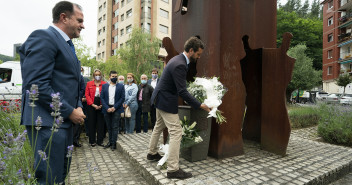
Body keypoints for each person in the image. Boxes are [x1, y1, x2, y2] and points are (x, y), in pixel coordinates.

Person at [19, 1, 86, 184]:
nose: (83, 25)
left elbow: (71, 84)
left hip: (62, 124)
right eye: (79, 20)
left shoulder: (67, 45)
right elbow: (36, 85)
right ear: (64, 17)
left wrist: (78, 106)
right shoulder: (44, 37)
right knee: (49, 179)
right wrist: (69, 111)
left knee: (59, 177)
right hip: (47, 124)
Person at [147, 37, 210, 180]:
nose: (199, 57)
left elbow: (179, 86)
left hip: (159, 98)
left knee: (158, 126)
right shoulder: (180, 64)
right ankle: (173, 169)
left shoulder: (177, 60)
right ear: (191, 51)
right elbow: (182, 91)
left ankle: (151, 153)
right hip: (165, 101)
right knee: (176, 132)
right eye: (198, 54)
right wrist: (199, 104)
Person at [100, 71, 125, 151]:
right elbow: (102, 98)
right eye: (113, 76)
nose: (114, 78)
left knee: (115, 126)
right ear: (109, 77)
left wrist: (114, 107)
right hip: (107, 108)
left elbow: (122, 98)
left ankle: (114, 143)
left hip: (116, 109)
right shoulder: (104, 86)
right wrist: (107, 107)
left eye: (116, 76)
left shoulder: (121, 86)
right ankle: (110, 142)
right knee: (109, 126)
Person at [85, 69, 107, 147]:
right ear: (93, 76)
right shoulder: (89, 84)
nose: (97, 76)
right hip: (91, 105)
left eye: (99, 75)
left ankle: (100, 141)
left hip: (101, 104)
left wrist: (102, 105)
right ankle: (92, 141)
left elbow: (106, 95)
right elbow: (87, 95)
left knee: (101, 123)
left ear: (101, 76)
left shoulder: (104, 84)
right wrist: (93, 104)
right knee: (92, 123)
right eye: (96, 75)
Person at [73, 67, 86, 147]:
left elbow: (82, 89)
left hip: (78, 100)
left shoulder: (81, 78)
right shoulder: (70, 76)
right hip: (69, 100)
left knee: (78, 121)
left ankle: (76, 140)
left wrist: (78, 96)